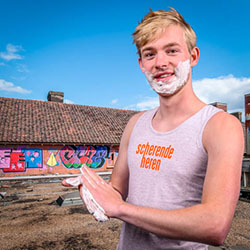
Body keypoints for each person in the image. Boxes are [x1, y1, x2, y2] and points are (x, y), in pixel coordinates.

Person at [63, 7, 244, 250]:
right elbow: (117, 191)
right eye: (149, 54)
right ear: (141, 63)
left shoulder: (220, 126)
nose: (160, 63)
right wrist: (96, 191)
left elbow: (215, 225)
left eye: (171, 50)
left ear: (193, 56)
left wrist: (122, 209)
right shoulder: (135, 124)